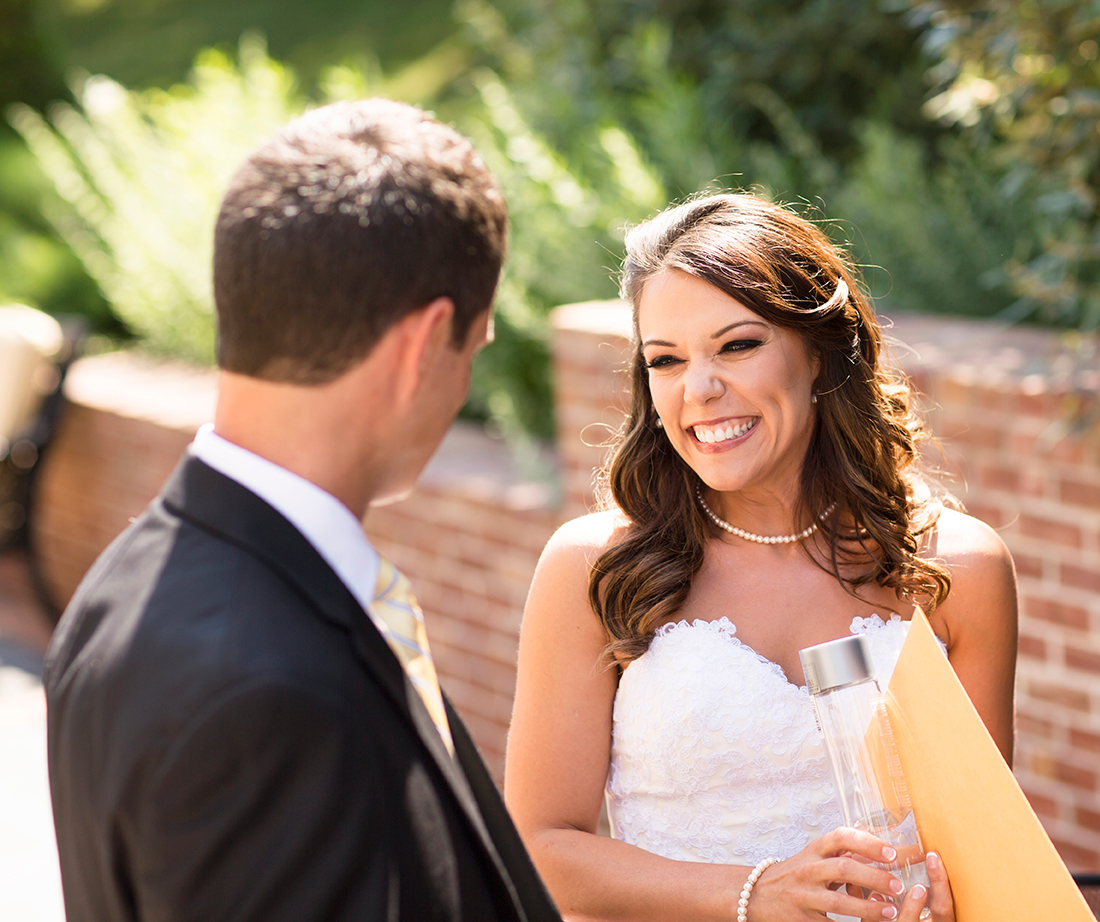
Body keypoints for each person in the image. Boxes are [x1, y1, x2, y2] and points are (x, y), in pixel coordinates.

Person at [44, 99, 561, 922]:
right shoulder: (267, 696)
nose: (466, 380)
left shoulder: (122, 584)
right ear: (424, 346)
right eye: (476, 346)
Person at [505, 193, 1020, 922]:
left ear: (816, 354)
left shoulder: (958, 571)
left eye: (737, 345)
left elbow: (986, 855)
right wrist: (751, 895)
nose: (700, 389)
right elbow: (538, 849)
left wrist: (947, 901)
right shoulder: (595, 570)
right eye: (666, 360)